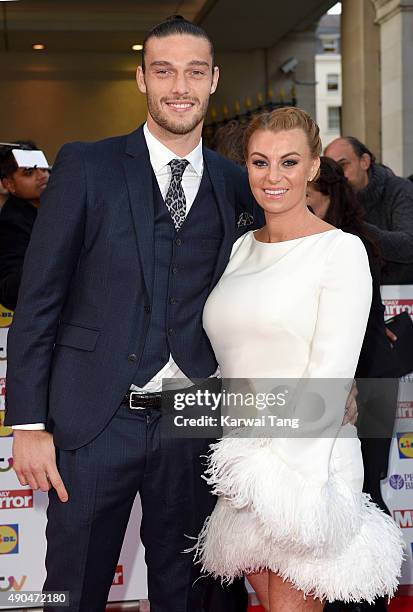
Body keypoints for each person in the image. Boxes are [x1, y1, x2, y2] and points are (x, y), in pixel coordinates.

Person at [5, 16, 260, 612]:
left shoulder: (235, 182)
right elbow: (39, 301)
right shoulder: (86, 167)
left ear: (214, 79)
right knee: (72, 589)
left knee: (193, 590)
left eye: (194, 71)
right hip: (93, 419)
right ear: (141, 78)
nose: (180, 85)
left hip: (194, 421)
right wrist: (26, 425)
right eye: (164, 70)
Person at [195, 108, 404, 612]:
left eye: (289, 162)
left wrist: (295, 486)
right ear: (245, 167)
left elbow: (331, 374)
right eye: (260, 162)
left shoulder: (340, 251)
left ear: (313, 167)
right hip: (243, 460)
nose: (273, 177)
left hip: (305, 465)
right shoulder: (242, 248)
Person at [307, 157, 399, 612]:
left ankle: (369, 594)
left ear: (332, 196)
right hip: (350, 378)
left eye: (311, 200)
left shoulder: (351, 244)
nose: (302, 208)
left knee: (366, 491)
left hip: (368, 381)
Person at [324, 136, 413, 284]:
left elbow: (409, 245)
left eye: (343, 165)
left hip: (399, 296)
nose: (339, 176)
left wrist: (359, 230)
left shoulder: (400, 190)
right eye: (334, 170)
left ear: (364, 161)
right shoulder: (331, 197)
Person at [0, 140, 49, 310]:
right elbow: (8, 290)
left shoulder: (57, 205)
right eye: (29, 172)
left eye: (43, 168)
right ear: (9, 185)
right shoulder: (10, 224)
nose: (42, 175)